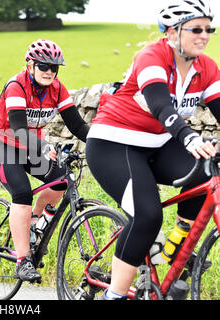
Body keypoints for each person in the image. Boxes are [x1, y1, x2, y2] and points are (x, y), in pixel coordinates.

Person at [85, 0, 220, 300]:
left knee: (205, 176)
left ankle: (171, 250)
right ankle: (115, 295)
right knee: (147, 216)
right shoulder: (152, 57)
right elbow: (160, 104)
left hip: (158, 144)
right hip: (114, 143)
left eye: (208, 29)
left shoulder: (206, 67)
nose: (205, 35)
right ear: (172, 32)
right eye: (196, 29)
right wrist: (188, 137)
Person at [0, 39, 90, 282]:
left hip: (29, 146)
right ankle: (22, 262)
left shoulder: (57, 88)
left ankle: (32, 225)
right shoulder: (16, 86)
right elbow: (19, 130)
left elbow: (77, 125)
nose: (49, 72)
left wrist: (102, 141)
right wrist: (45, 146)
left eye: (54, 68)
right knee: (22, 193)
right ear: (29, 65)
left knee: (62, 182)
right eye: (43, 66)